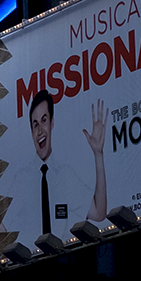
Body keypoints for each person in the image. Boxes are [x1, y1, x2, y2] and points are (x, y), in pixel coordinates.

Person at [19, 89, 107, 243]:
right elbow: (0, 231)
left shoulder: (66, 176)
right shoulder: (21, 179)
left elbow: (99, 213)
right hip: (29, 262)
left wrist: (98, 154)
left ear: (52, 122)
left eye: (44, 120)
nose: (40, 131)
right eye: (35, 124)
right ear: (31, 131)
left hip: (64, 260)